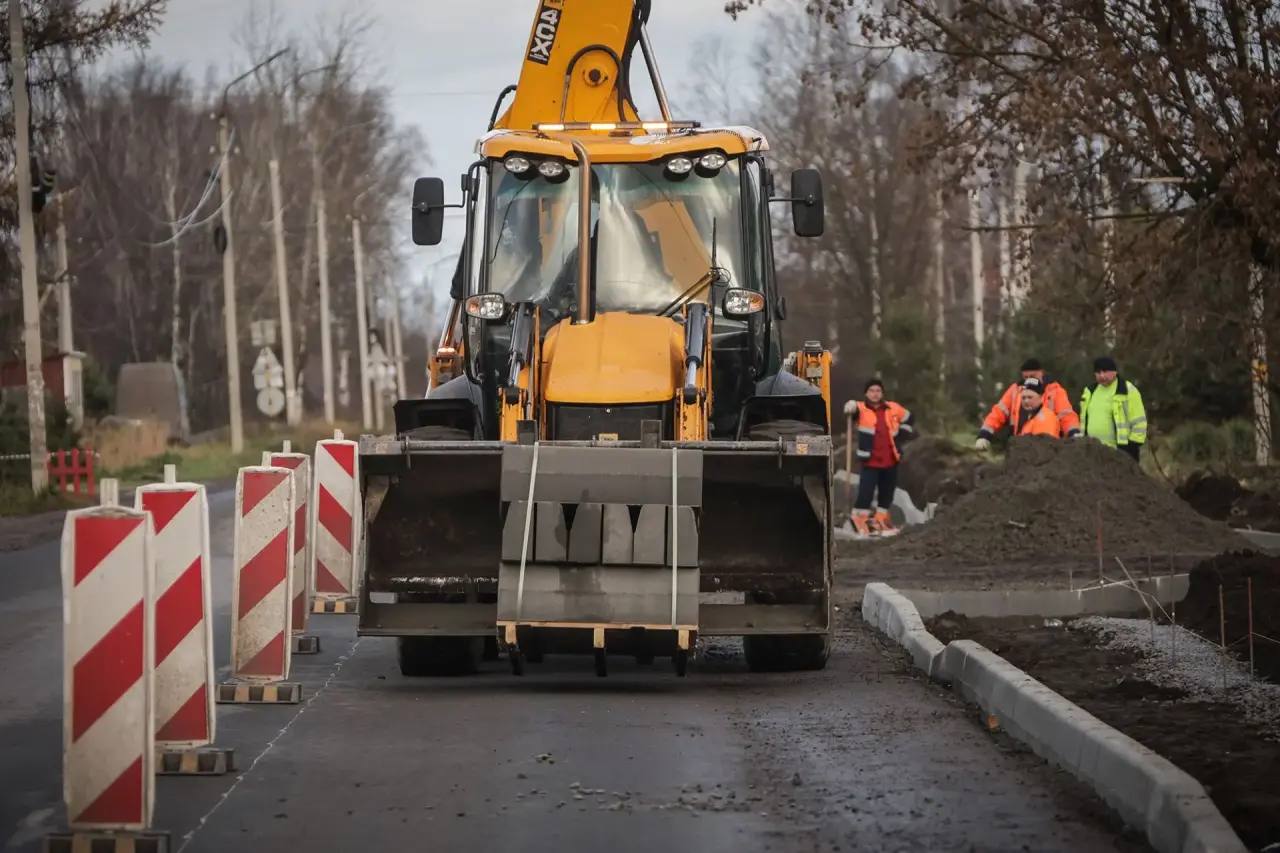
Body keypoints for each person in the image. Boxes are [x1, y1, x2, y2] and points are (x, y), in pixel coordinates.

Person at [844, 378, 915, 537]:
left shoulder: (893, 408)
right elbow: (853, 409)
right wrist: (851, 405)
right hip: (870, 460)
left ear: (882, 393)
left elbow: (909, 418)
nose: (875, 394)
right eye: (871, 391)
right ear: (866, 393)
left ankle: (881, 520)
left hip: (891, 458)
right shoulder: (861, 408)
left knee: (887, 492)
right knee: (866, 491)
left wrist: (903, 434)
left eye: (878, 391)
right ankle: (859, 520)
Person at [975, 358, 1080, 449]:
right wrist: (984, 435)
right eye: (1026, 377)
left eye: (1033, 376)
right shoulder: (1015, 390)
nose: (1029, 379)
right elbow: (998, 412)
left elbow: (1066, 415)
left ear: (1041, 373)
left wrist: (1074, 433)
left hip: (1049, 447)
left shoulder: (1054, 391)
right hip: (1020, 447)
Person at [1080, 356, 1147, 461]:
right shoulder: (1089, 391)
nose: (1102, 376)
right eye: (1098, 372)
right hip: (1092, 453)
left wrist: (1132, 446)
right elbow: (1083, 420)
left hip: (1120, 453)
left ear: (1114, 372)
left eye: (1105, 371)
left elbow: (1139, 422)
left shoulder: (1127, 390)